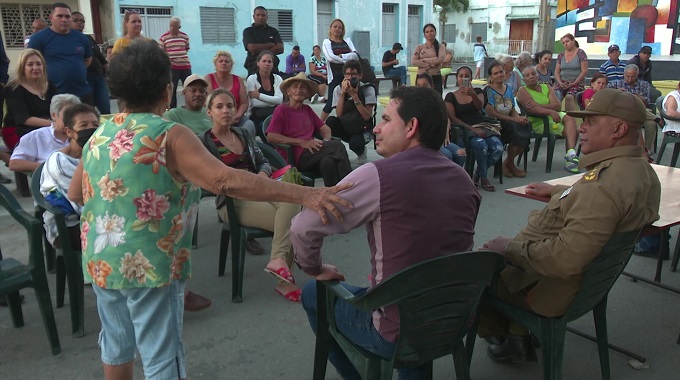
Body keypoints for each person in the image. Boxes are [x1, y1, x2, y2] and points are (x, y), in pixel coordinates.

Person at [66, 39, 352, 380]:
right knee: (161, 353)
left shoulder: (99, 133)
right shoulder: (169, 134)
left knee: (115, 341)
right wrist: (307, 196)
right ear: (166, 90)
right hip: (150, 264)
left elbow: (75, 192)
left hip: (102, 261)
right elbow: (225, 181)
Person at [294, 86, 481, 380]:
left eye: (385, 119)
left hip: (396, 329)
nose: (376, 128)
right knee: (414, 294)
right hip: (453, 320)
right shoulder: (464, 179)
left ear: (411, 127)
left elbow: (303, 227)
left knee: (313, 292)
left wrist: (315, 268)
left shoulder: (377, 175)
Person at [478, 88, 660, 363]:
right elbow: (606, 203)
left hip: (548, 290)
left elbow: (562, 259)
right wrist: (560, 191)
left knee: (473, 273)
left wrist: (509, 249)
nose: (581, 128)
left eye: (591, 121)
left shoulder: (600, 189)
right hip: (583, 285)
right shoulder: (642, 171)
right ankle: (518, 334)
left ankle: (505, 337)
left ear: (619, 129)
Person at [201, 88, 302, 302]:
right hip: (233, 201)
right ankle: (283, 280)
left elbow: (263, 161)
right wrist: (243, 180)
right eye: (219, 106)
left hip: (261, 189)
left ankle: (277, 261)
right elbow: (211, 180)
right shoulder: (206, 143)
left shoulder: (243, 134)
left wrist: (263, 174)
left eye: (229, 106)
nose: (226, 110)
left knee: (293, 201)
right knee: (293, 222)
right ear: (209, 112)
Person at [266, 73, 352, 187]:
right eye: (295, 87)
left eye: (302, 87)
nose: (299, 90)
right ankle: (352, 187)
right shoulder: (281, 110)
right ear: (288, 92)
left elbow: (325, 128)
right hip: (293, 156)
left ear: (307, 94)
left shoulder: (306, 109)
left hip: (312, 153)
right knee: (337, 146)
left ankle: (334, 197)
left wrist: (326, 142)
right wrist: (301, 142)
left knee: (328, 162)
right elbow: (271, 136)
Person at [39, 103, 98, 250]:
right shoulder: (59, 163)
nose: (91, 129)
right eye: (83, 125)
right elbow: (81, 202)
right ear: (69, 132)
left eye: (95, 124)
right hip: (68, 226)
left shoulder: (97, 154)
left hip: (94, 217)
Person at [445, 66, 503, 191]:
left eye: (467, 76)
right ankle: (484, 178)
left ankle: (478, 174)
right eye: (461, 76)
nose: (464, 78)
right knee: (481, 146)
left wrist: (472, 95)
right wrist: (471, 128)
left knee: (498, 147)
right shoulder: (451, 96)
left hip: (482, 126)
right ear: (456, 79)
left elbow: (479, 107)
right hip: (465, 130)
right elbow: (453, 118)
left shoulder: (477, 91)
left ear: (471, 78)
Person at [516, 66, 580, 173]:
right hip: (540, 121)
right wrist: (549, 111)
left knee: (569, 118)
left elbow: (557, 106)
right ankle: (571, 159)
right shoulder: (522, 91)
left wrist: (538, 106)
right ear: (523, 80)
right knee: (575, 131)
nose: (531, 77)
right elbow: (533, 110)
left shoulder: (547, 87)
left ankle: (570, 154)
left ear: (538, 76)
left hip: (554, 116)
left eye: (533, 74)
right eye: (527, 75)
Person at [27, 2, 93, 105]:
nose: (64, 19)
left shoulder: (81, 38)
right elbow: (29, 63)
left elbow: (87, 59)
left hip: (81, 92)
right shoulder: (39, 38)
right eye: (60, 16)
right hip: (53, 94)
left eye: (67, 16)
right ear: (51, 18)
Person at [9, 94, 80, 173]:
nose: (72, 119)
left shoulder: (83, 136)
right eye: (68, 114)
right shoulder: (36, 137)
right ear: (54, 115)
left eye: (75, 115)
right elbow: (14, 163)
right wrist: (51, 167)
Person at [484, 60, 530, 178]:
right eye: (496, 73)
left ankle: (507, 163)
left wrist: (519, 118)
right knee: (515, 127)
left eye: (501, 72)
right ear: (491, 76)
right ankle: (511, 165)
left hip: (509, 120)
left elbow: (512, 110)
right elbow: (492, 113)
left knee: (525, 125)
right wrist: (514, 120)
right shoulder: (488, 91)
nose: (499, 75)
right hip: (495, 123)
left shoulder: (508, 89)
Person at [325, 60, 376, 165]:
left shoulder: (367, 89)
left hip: (361, 128)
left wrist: (354, 96)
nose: (350, 77)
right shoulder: (338, 89)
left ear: (360, 75)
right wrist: (343, 94)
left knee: (355, 144)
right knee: (330, 121)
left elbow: (367, 116)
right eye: (347, 74)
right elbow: (339, 114)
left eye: (353, 74)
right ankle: (336, 150)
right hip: (346, 124)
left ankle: (361, 151)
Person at [3, 49, 57, 139]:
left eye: (38, 64)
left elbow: (59, 108)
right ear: (22, 68)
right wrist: (54, 124)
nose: (35, 68)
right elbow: (23, 119)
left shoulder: (50, 85)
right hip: (17, 131)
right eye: (30, 64)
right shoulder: (14, 88)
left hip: (45, 129)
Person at [607, 64, 662, 153]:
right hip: (622, 113)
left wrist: (636, 97)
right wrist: (616, 93)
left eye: (633, 77)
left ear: (637, 75)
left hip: (640, 111)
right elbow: (607, 98)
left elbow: (646, 103)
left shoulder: (644, 85)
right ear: (624, 74)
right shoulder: (615, 84)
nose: (629, 79)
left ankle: (646, 151)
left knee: (651, 124)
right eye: (627, 76)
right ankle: (657, 119)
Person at [418, 72, 467, 167]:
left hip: (439, 140)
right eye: (419, 85)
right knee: (447, 155)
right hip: (425, 142)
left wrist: (445, 132)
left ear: (431, 86)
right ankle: (444, 179)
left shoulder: (436, 101)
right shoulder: (413, 104)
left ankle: (454, 179)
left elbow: (446, 118)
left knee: (461, 153)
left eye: (425, 85)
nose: (421, 89)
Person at [203, 51, 256, 137]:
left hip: (236, 118)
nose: (224, 63)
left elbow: (244, 103)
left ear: (231, 65)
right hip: (215, 118)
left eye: (227, 61)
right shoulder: (208, 79)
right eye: (221, 61)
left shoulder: (238, 79)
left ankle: (247, 148)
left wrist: (237, 116)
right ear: (215, 64)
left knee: (249, 125)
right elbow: (207, 103)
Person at [71, 11, 110, 114]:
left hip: (99, 78)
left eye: (82, 21)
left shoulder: (88, 38)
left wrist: (107, 72)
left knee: (105, 109)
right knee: (89, 110)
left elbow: (100, 57)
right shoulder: (68, 40)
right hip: (85, 80)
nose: (80, 23)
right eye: (76, 20)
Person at [321, 19, 358, 120]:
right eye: (335, 27)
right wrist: (346, 60)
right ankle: (319, 125)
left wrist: (342, 56)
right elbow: (330, 58)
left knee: (347, 101)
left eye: (340, 27)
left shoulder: (348, 41)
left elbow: (355, 56)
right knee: (330, 104)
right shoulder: (327, 42)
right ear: (330, 28)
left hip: (349, 75)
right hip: (335, 76)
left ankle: (345, 123)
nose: (337, 29)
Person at [247, 50, 283, 138]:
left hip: (275, 114)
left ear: (272, 64)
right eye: (264, 61)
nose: (267, 64)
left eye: (269, 61)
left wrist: (258, 95)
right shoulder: (251, 79)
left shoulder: (278, 78)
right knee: (267, 128)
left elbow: (279, 100)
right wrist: (272, 101)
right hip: (257, 116)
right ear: (258, 63)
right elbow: (254, 103)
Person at [159, 16, 192, 109]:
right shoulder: (164, 38)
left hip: (185, 66)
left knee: (189, 88)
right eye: (171, 26)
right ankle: (172, 109)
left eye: (175, 26)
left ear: (179, 27)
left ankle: (189, 107)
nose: (172, 28)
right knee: (172, 89)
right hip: (172, 67)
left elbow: (186, 48)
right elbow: (162, 52)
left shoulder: (184, 36)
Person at [242, 6, 284, 75]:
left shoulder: (273, 31)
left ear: (267, 17)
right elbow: (252, 48)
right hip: (254, 68)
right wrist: (270, 45)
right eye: (258, 15)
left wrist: (260, 52)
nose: (260, 17)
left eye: (263, 15)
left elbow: (280, 48)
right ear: (253, 16)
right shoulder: (248, 31)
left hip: (272, 68)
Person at [554, 33, 588, 112]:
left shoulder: (580, 53)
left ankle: (569, 118)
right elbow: (557, 71)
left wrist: (574, 83)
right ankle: (557, 117)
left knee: (569, 96)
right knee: (556, 95)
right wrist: (560, 82)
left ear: (573, 41)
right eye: (563, 43)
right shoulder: (561, 55)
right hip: (563, 82)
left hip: (576, 83)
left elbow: (584, 71)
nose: (565, 44)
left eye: (567, 41)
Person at [411, 23, 446, 94]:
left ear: (435, 32)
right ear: (424, 35)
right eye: (427, 32)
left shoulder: (441, 46)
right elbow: (414, 61)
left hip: (435, 77)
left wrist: (423, 60)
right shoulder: (419, 47)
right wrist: (432, 62)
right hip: (421, 78)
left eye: (431, 31)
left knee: (436, 100)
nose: (429, 33)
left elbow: (440, 59)